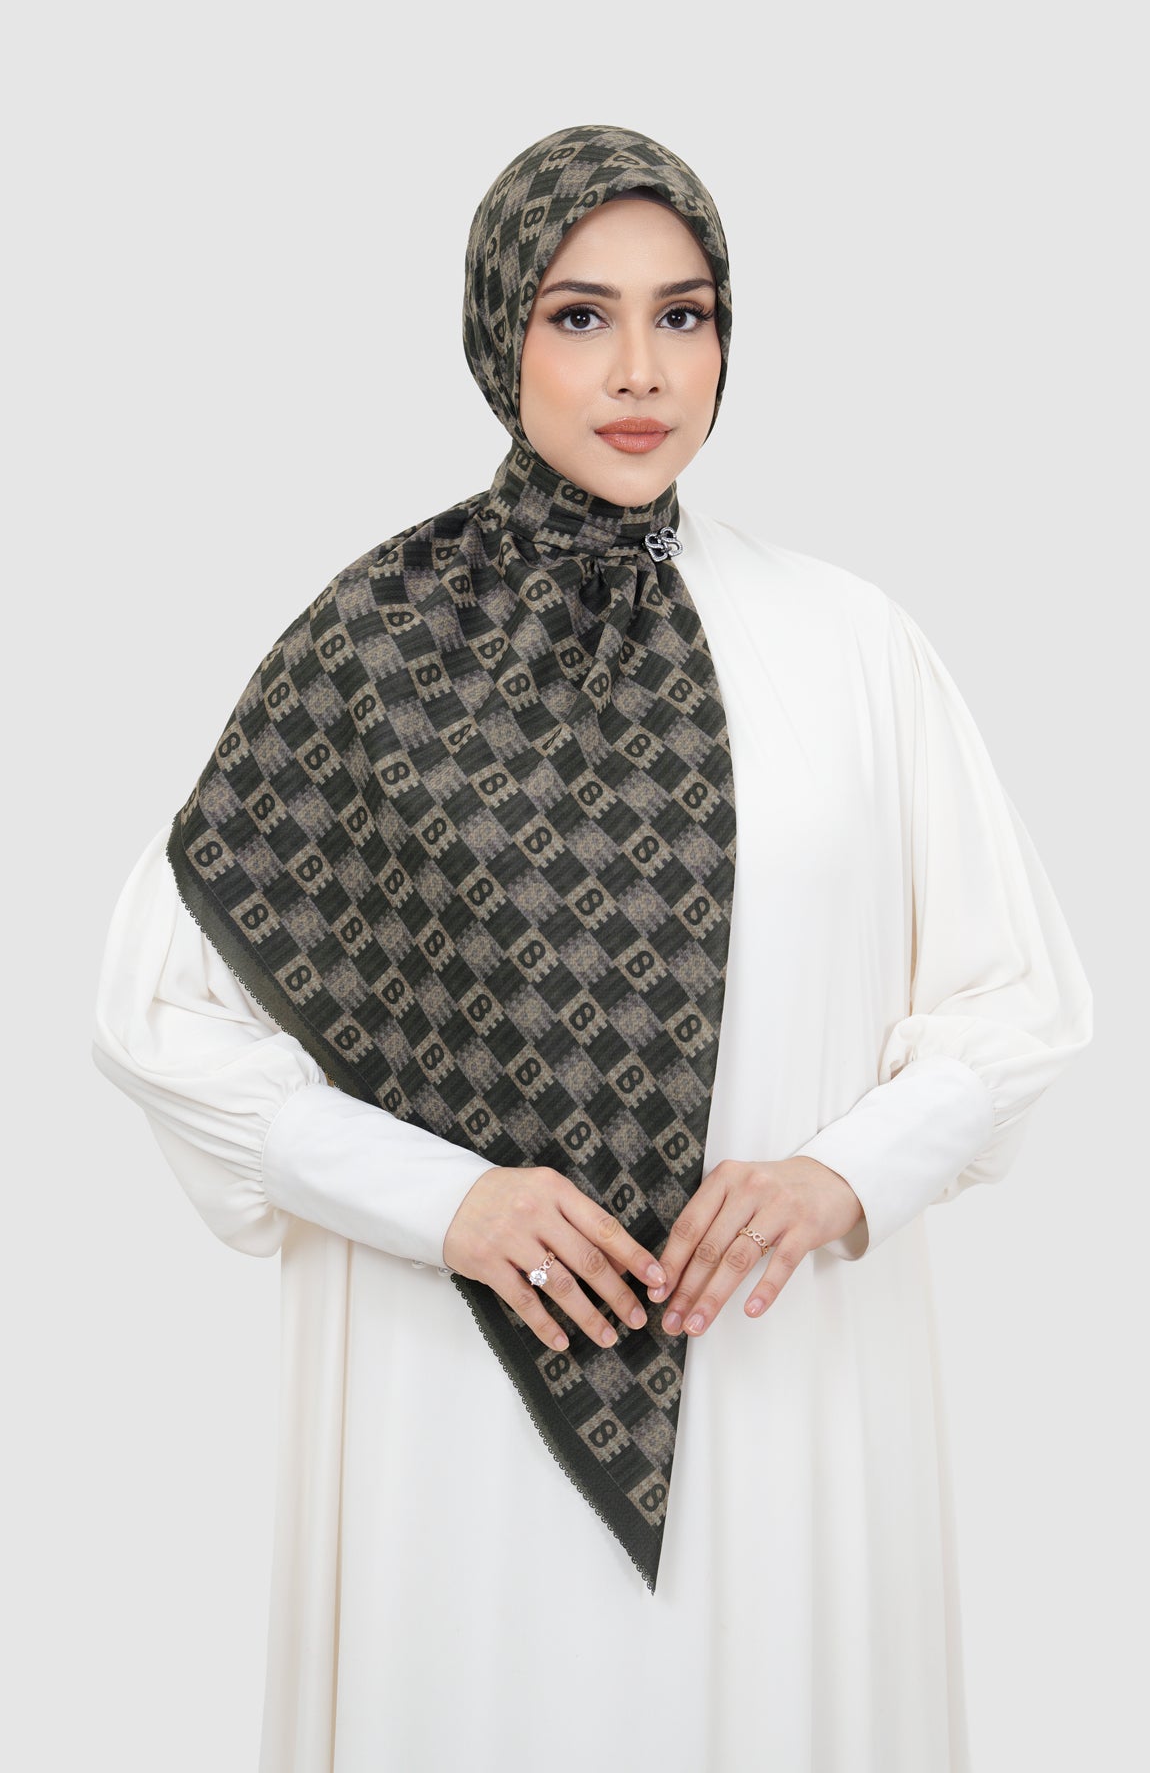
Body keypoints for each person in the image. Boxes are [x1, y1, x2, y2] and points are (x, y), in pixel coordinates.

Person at [91, 122, 1094, 1773]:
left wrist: (841, 1175)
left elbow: (1018, 997)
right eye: (580, 316)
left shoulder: (852, 644)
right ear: (501, 333)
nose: (641, 370)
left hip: (778, 1365)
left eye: (683, 316)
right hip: (454, 1394)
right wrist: (445, 1200)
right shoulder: (373, 643)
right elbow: (159, 1014)